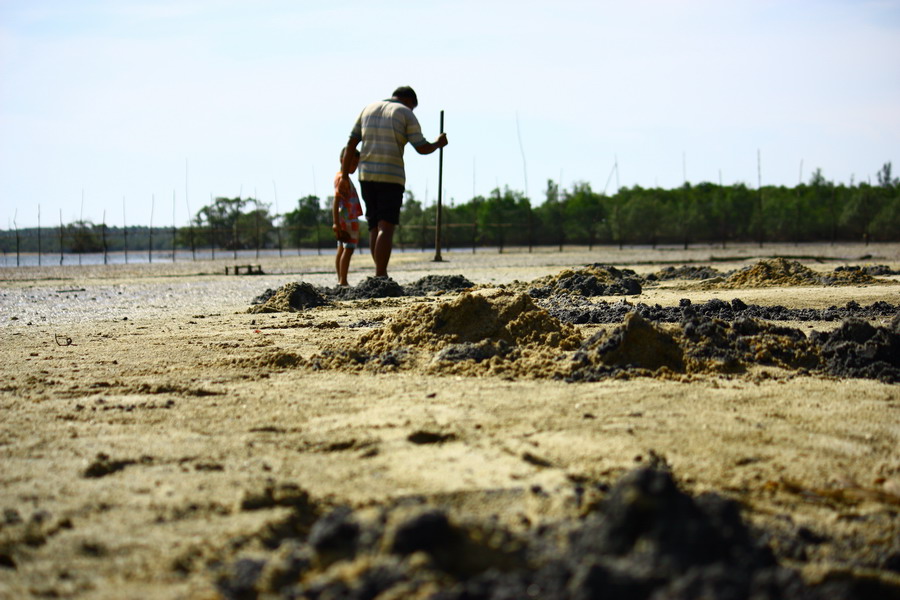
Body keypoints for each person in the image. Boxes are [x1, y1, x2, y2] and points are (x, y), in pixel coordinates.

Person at [338, 86, 448, 278]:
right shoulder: (405, 113)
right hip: (390, 175)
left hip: (366, 176)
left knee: (374, 226)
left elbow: (351, 143)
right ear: (409, 101)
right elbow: (421, 147)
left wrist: (345, 176)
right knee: (386, 226)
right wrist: (438, 143)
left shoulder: (368, 109)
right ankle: (381, 274)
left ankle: (379, 273)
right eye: (413, 107)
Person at [332, 147, 362, 286]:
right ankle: (343, 279)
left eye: (356, 164)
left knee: (342, 249)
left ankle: (340, 279)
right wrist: (336, 222)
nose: (354, 167)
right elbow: (336, 200)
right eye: (351, 163)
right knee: (348, 249)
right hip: (347, 219)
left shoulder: (344, 179)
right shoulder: (341, 179)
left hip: (346, 218)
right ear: (342, 161)